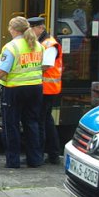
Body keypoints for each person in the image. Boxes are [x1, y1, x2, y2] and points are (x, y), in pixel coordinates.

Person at [0, 16, 45, 169]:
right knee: (32, 123)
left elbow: (3, 69)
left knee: (11, 125)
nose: (9, 30)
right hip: (36, 88)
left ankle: (13, 161)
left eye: (10, 28)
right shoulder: (38, 45)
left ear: (14, 29)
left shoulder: (11, 47)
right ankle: (35, 160)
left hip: (15, 89)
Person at [29, 17, 62, 165]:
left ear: (40, 28)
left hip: (47, 89)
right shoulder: (42, 43)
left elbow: (47, 65)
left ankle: (40, 154)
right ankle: (53, 154)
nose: (29, 32)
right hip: (44, 88)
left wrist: (28, 68)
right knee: (46, 121)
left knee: (40, 122)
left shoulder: (49, 44)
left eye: (31, 29)